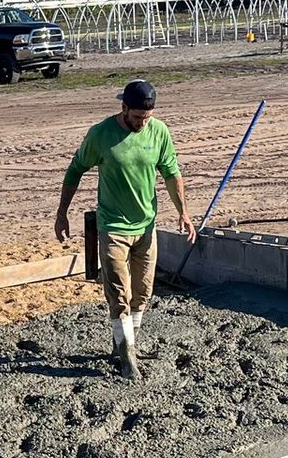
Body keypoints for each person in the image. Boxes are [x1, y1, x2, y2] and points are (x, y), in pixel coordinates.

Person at [55, 79, 196, 378]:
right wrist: (62, 213)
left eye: (147, 118)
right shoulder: (101, 134)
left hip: (146, 225)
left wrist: (184, 213)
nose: (142, 123)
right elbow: (75, 169)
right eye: (136, 118)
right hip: (113, 226)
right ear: (123, 108)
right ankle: (126, 356)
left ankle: (125, 341)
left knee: (142, 292)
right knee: (118, 292)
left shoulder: (158, 132)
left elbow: (171, 172)